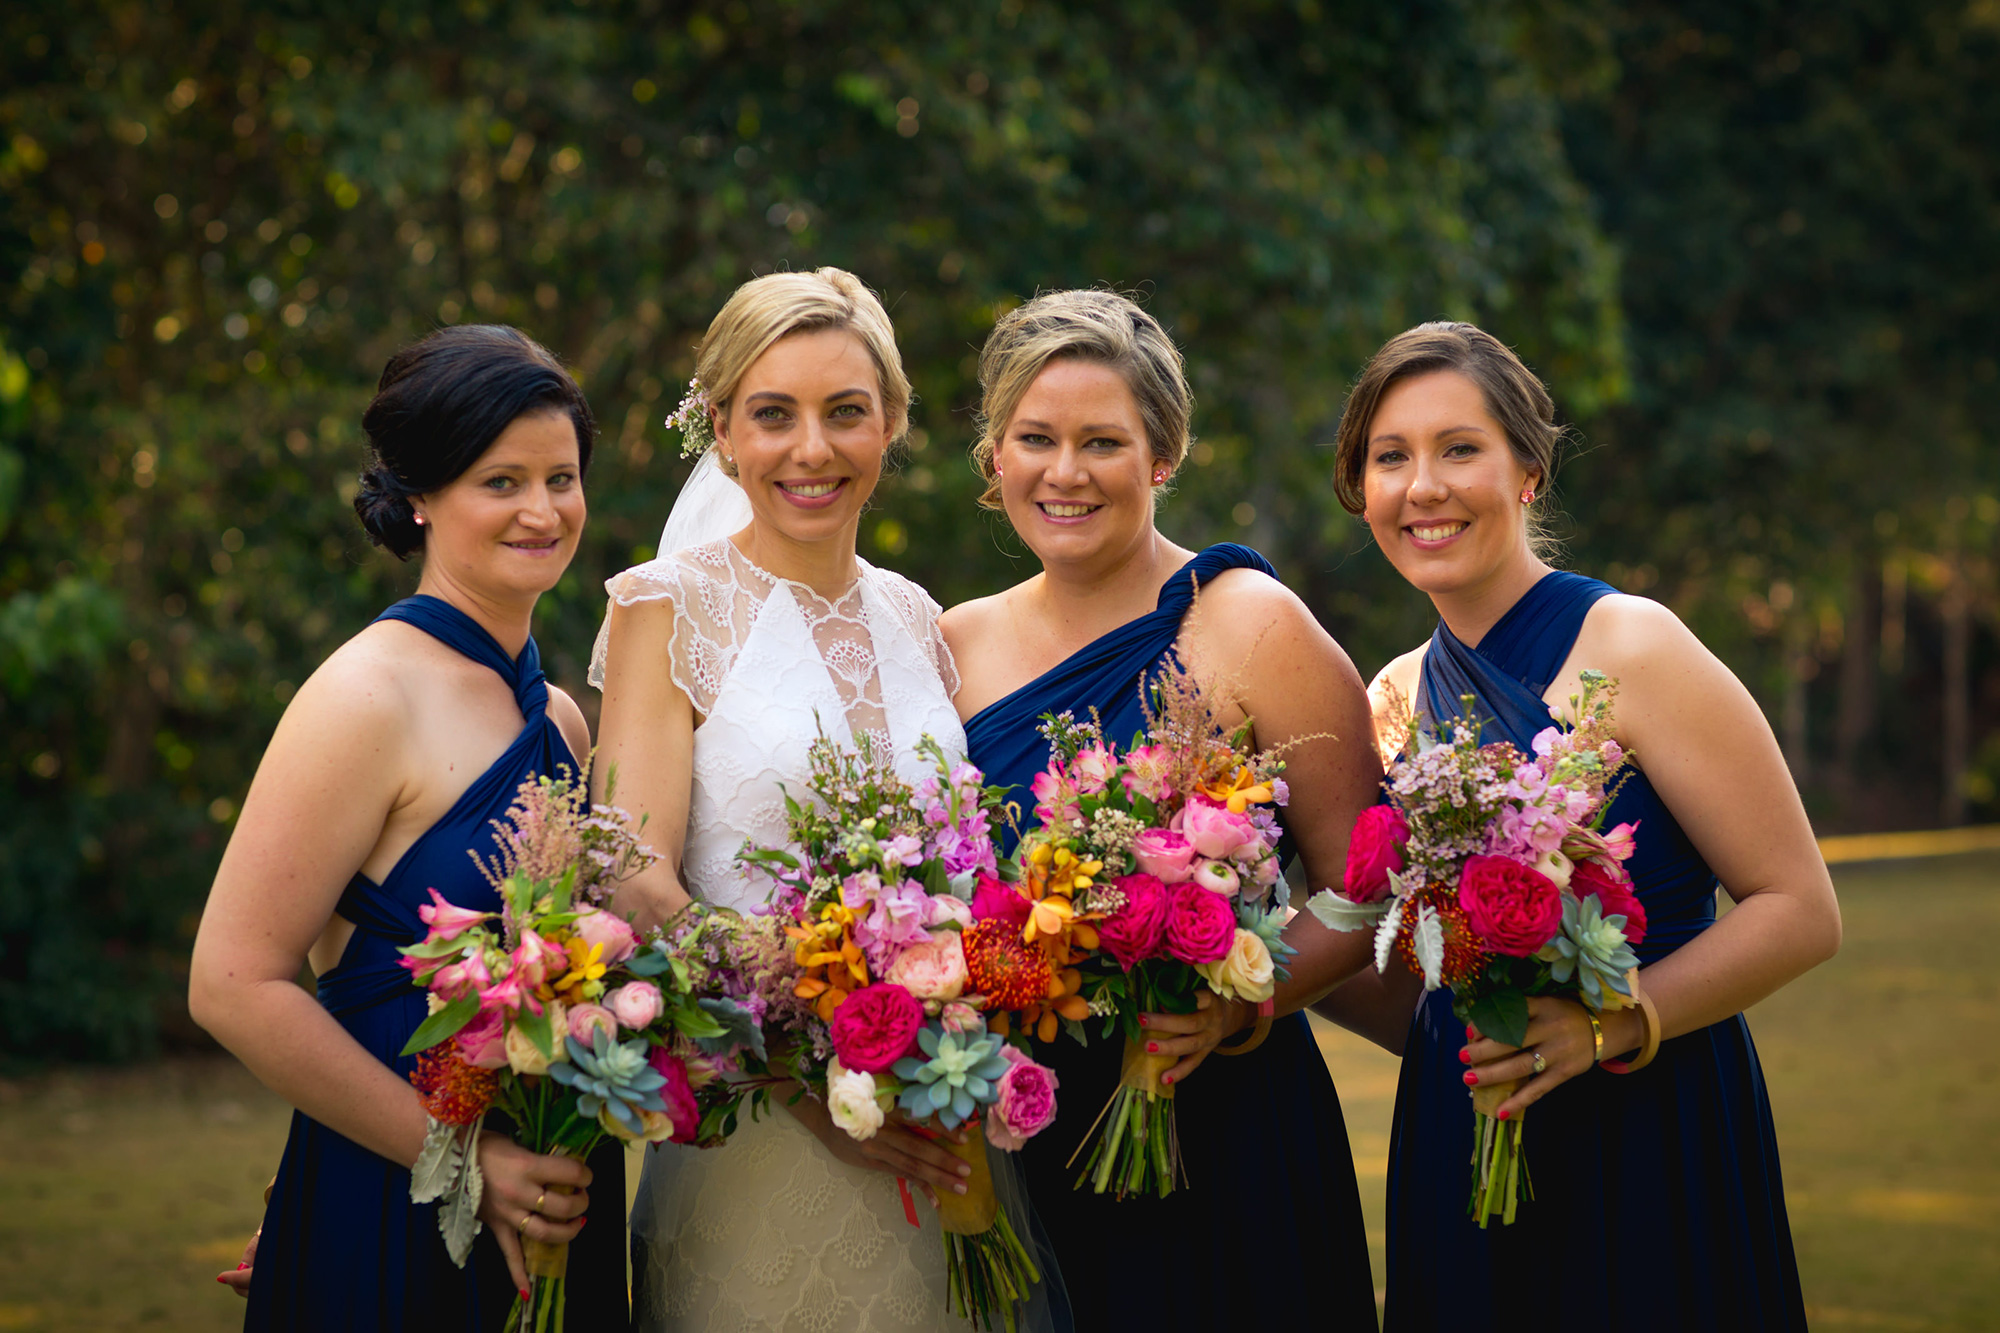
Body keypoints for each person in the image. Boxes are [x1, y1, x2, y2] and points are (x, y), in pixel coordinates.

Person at [1341, 321, 1840, 1331]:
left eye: (1459, 449)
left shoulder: (1631, 645)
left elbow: (1798, 909)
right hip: (1464, 1118)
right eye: (1389, 458)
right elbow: (1393, 961)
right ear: (1361, 492)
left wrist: (1612, 1023)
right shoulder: (1388, 696)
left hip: (1646, 1115)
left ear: (1527, 470)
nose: (1422, 486)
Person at [590, 268, 1029, 1332]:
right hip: (758, 1114)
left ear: (889, 424)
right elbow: (628, 873)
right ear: (723, 431)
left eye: (845, 412)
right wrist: (804, 1061)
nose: (812, 450)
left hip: (935, 1107)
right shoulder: (665, 607)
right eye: (772, 415)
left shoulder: (919, 617)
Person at [944, 289, 1382, 1330]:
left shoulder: (1250, 624)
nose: (1064, 471)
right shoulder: (948, 645)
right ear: (993, 456)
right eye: (1034, 439)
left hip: (1225, 1120)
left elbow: (1366, 888)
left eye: (1102, 440)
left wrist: (1240, 999)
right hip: (1024, 1131)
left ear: (1162, 455)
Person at [188, 325, 627, 1330]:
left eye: (560, 477)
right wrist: (463, 1157)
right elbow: (231, 982)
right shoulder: (363, 696)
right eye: (499, 480)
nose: (541, 509)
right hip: (404, 1184)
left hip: (553, 1188)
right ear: (421, 496)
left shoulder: (560, 716)